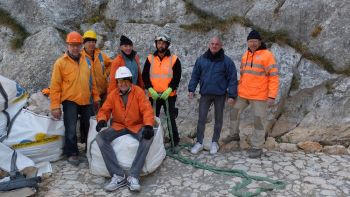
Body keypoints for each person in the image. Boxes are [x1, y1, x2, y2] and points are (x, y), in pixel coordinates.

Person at [95, 66, 154, 192]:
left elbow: (147, 109)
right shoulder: (113, 95)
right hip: (119, 125)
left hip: (135, 125)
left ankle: (133, 175)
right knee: (100, 137)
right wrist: (101, 120)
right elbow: (104, 110)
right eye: (120, 81)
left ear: (130, 80)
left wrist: (148, 124)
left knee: (148, 138)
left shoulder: (138, 92)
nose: (123, 83)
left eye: (125, 80)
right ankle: (118, 175)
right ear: (117, 82)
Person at [223, 30, 279, 158]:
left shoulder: (267, 55)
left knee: (259, 121)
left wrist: (272, 96)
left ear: (259, 42)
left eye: (255, 41)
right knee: (234, 113)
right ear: (247, 42)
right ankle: (234, 135)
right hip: (243, 94)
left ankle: (257, 147)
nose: (252, 43)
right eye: (250, 41)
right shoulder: (245, 55)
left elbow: (274, 77)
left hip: (260, 96)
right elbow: (243, 75)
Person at [49, 31, 100, 166]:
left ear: (81, 45)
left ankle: (89, 149)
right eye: (72, 45)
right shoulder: (60, 63)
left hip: (86, 99)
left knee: (89, 126)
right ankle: (72, 153)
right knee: (70, 127)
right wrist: (55, 106)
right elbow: (55, 86)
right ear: (68, 45)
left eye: (78, 45)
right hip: (70, 100)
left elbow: (92, 81)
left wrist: (96, 98)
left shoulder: (87, 60)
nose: (75, 48)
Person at [188, 36, 238, 155]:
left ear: (221, 46)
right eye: (212, 43)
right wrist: (191, 89)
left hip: (220, 95)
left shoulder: (227, 62)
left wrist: (232, 95)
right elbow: (195, 76)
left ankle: (214, 142)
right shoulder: (201, 60)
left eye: (217, 44)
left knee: (218, 119)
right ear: (209, 45)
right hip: (205, 94)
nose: (214, 46)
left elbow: (232, 79)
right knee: (201, 118)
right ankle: (199, 142)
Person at [142, 33, 181, 147]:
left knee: (170, 119)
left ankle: (175, 141)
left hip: (169, 95)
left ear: (167, 45)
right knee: (152, 118)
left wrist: (170, 89)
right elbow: (145, 75)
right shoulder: (150, 59)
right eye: (159, 43)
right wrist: (150, 88)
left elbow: (177, 76)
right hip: (153, 95)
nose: (161, 45)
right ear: (156, 44)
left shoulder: (174, 59)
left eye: (163, 43)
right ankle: (153, 140)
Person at [82, 30, 112, 103]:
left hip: (104, 92)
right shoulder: (80, 58)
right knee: (93, 114)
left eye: (93, 42)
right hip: (89, 95)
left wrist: (105, 74)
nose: (91, 44)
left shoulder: (100, 55)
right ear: (84, 43)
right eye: (89, 42)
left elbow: (111, 64)